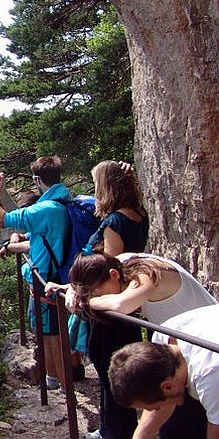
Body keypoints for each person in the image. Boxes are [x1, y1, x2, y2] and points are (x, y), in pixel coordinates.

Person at [47, 159, 150, 439]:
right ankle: (111, 428)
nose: (95, 189)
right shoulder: (138, 213)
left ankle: (114, 432)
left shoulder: (115, 221)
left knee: (109, 372)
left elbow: (110, 268)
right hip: (122, 309)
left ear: (105, 186)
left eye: (97, 184)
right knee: (116, 372)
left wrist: (79, 292)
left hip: (107, 309)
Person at [66, 252, 217, 438]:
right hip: (186, 347)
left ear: (113, 274)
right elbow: (160, 405)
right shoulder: (121, 265)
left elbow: (121, 304)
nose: (101, 299)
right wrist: (74, 290)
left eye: (99, 293)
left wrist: (87, 301)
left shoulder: (145, 274)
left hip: (204, 352)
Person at [0, 155, 71, 390]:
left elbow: (3, 219)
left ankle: (62, 387)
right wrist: (2, 191)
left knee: (51, 336)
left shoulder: (47, 209)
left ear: (37, 180)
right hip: (53, 275)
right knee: (50, 333)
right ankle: (59, 378)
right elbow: (21, 223)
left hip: (46, 279)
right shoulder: (60, 200)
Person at [108, 305, 219, 439]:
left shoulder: (210, 375)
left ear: (168, 386)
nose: (152, 412)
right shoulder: (164, 338)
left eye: (155, 407)